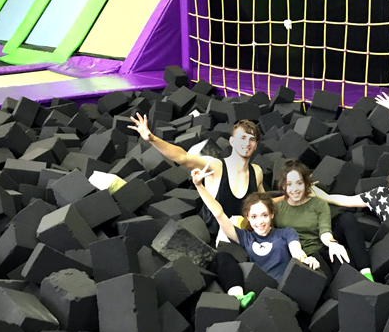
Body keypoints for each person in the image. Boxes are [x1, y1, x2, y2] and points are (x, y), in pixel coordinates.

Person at [192, 162, 320, 308]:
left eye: (264, 215)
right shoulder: (245, 237)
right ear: (247, 218)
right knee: (222, 257)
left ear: (272, 215)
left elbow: (296, 250)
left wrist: (305, 259)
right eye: (254, 217)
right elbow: (219, 214)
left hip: (283, 292)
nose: (260, 222)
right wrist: (199, 186)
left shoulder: (286, 233)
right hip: (257, 293)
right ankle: (238, 298)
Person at [128, 113, 264, 242]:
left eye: (252, 139)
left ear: (255, 145)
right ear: (232, 141)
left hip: (240, 240)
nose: (247, 143)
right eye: (243, 138)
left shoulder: (257, 172)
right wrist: (152, 138)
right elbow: (183, 157)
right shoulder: (216, 166)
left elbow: (265, 204)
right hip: (208, 238)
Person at [274, 160, 374, 282]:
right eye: (289, 184)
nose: (294, 189)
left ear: (306, 183)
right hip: (300, 258)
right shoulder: (277, 209)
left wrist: (332, 244)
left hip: (321, 250)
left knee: (346, 270)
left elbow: (325, 230)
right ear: (283, 186)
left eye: (299, 183)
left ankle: (366, 275)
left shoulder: (319, 204)